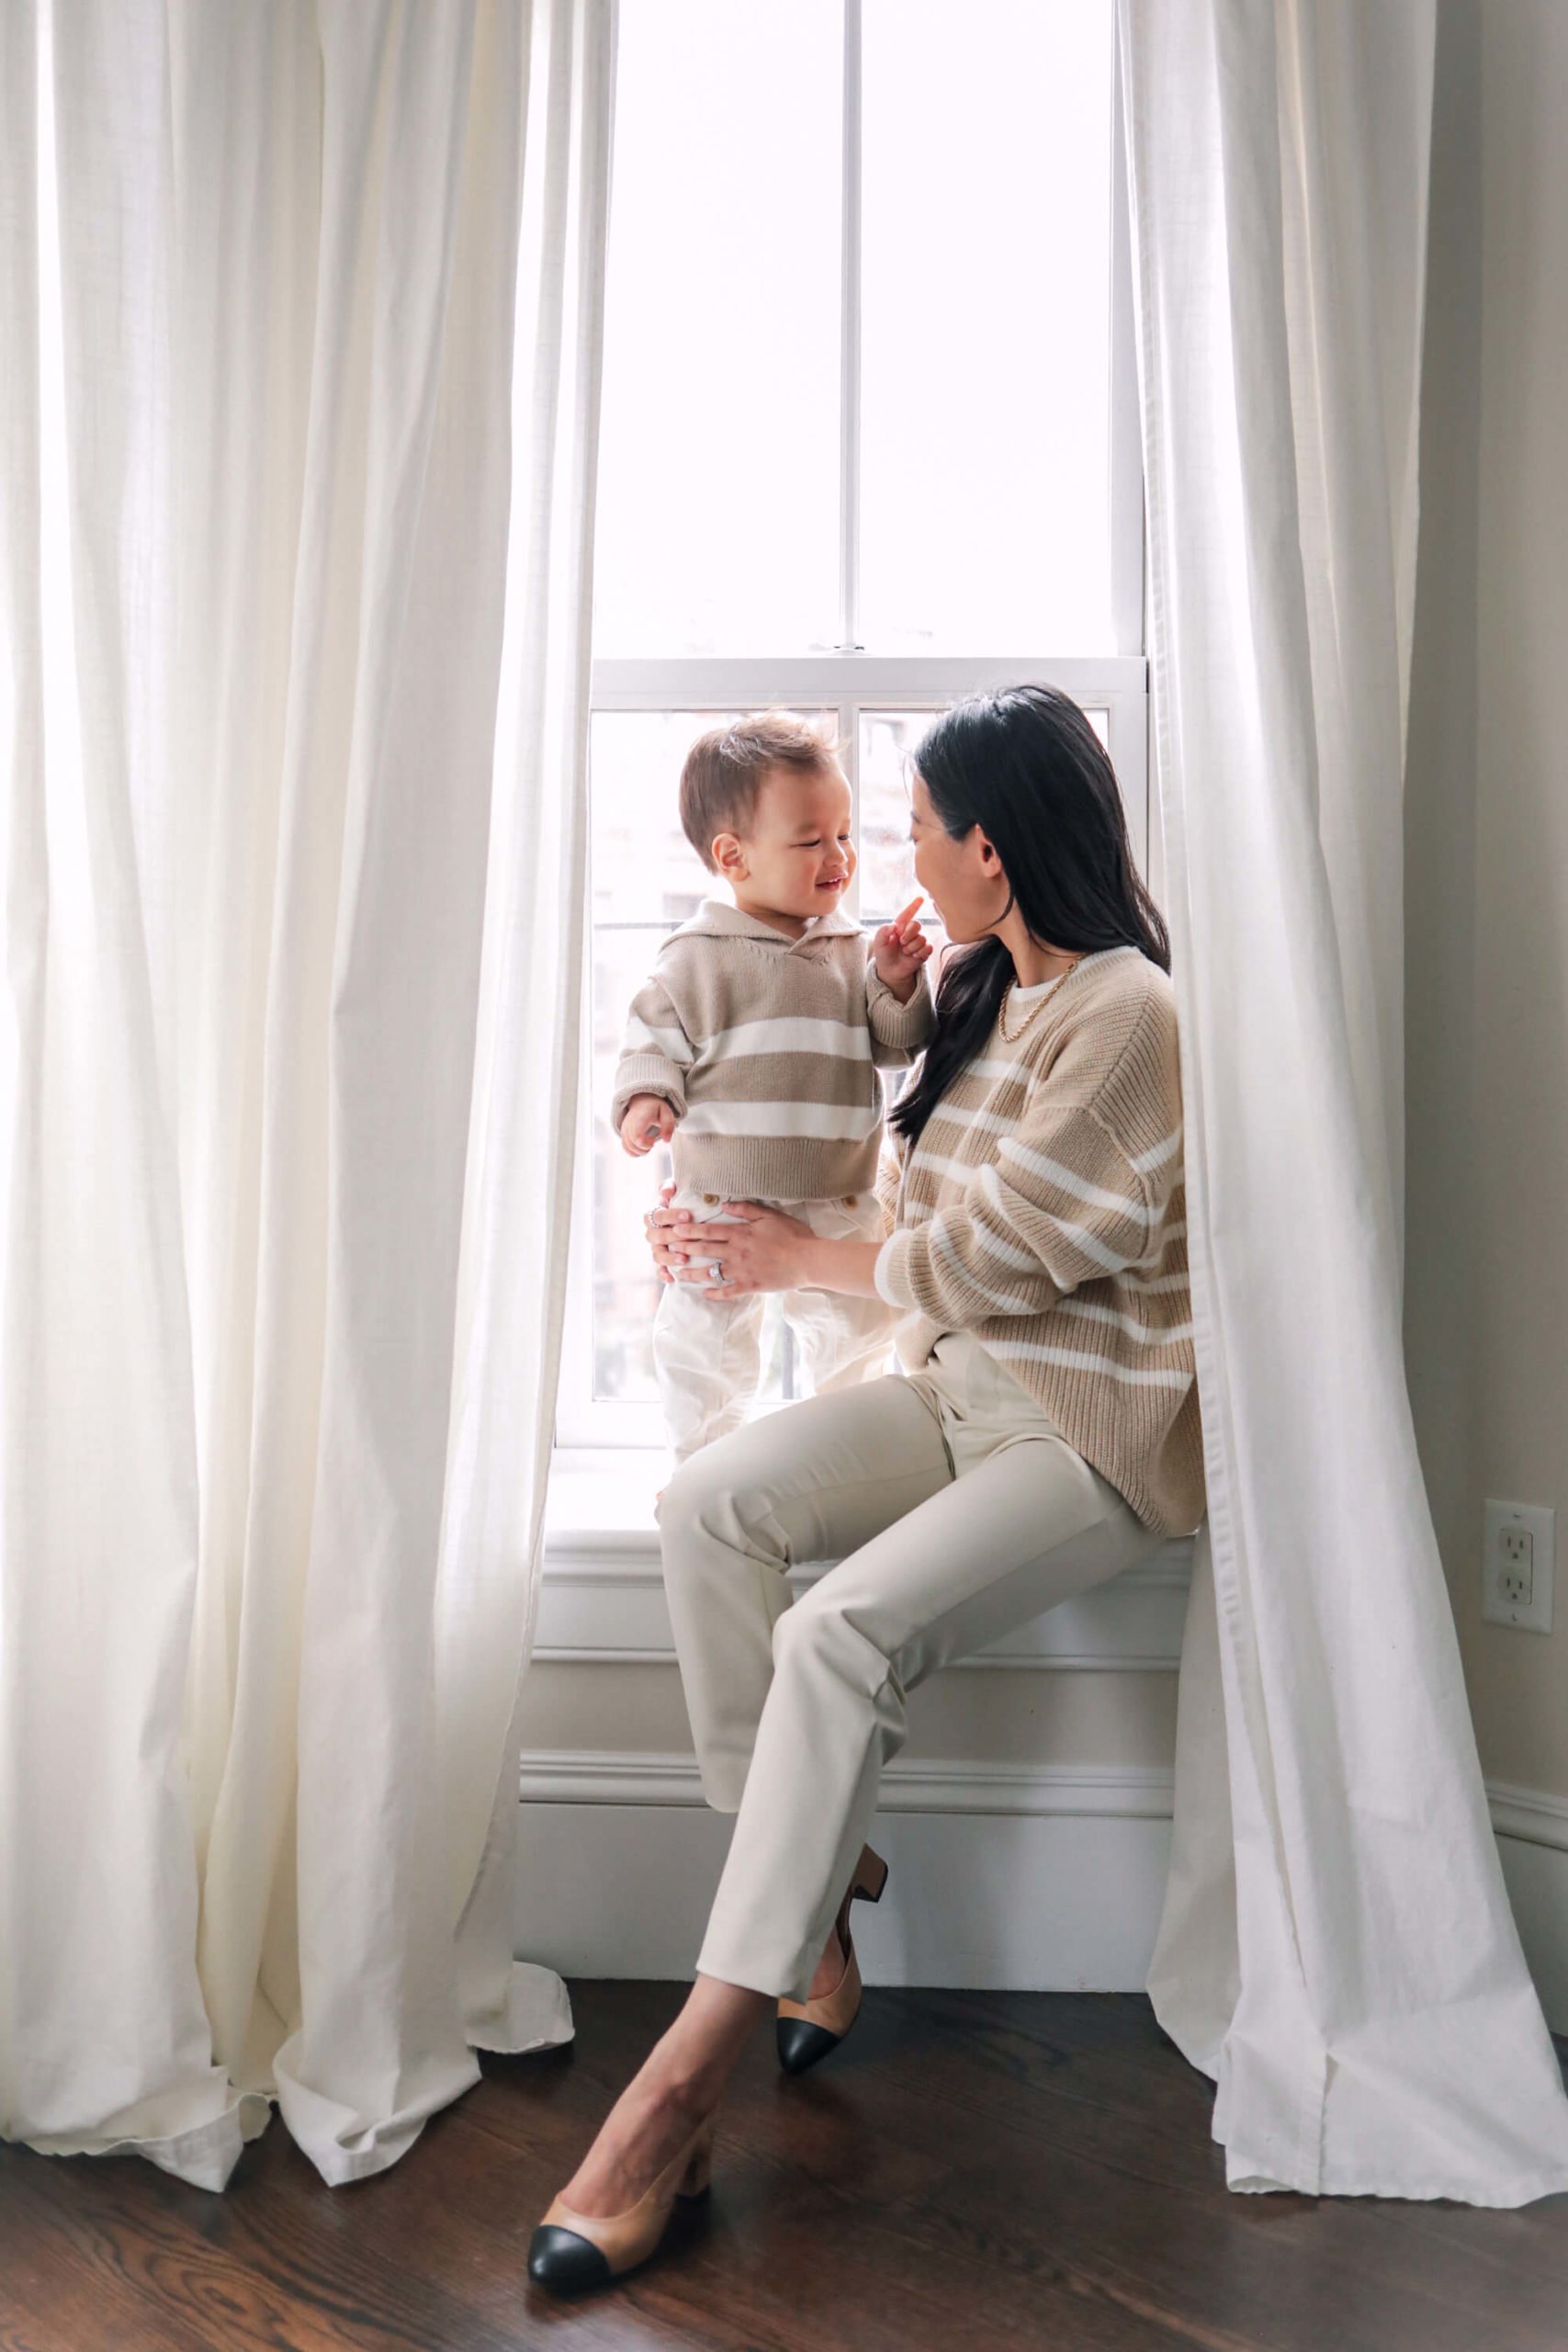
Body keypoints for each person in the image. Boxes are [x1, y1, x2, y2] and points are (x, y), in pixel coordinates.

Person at [528, 684, 1204, 2293]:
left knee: (835, 1635)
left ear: (988, 845)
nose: (886, 856)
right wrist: (719, 1219)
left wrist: (794, 1254)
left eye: (907, 828)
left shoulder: (1126, 1012)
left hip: (1088, 1432)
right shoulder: (979, 990)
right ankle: (818, 1914)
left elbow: (990, 1258)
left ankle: (677, 2090)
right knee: (708, 1511)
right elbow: (894, 1208)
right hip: (955, 1384)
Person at [610, 711, 935, 1468]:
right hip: (721, 1196)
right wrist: (646, 1101)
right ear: (734, 856)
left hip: (838, 1196)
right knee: (703, 1349)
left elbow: (895, 1045)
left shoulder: (849, 950)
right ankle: (701, 1466)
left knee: (857, 1341)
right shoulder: (695, 957)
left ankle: (848, 1461)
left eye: (845, 833)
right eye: (810, 839)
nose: (839, 856)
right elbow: (649, 1039)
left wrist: (893, 980)